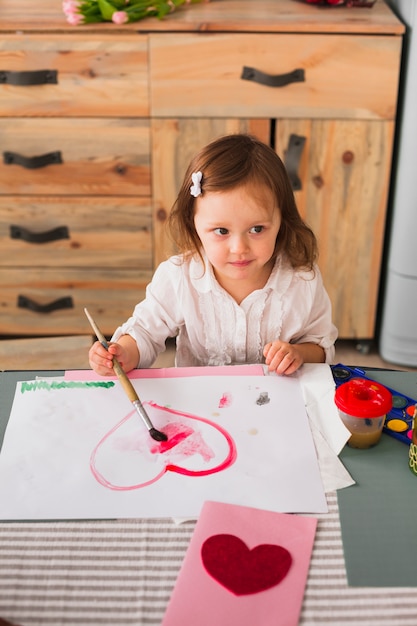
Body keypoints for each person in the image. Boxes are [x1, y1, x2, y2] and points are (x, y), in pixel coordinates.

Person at [89, 133, 337, 376]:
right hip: (200, 405)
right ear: (193, 224)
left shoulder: (302, 279)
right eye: (221, 231)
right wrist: (122, 352)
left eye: (257, 229)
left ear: (282, 219)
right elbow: (144, 333)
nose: (239, 248)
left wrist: (298, 353)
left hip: (274, 402)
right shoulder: (179, 277)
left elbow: (321, 346)